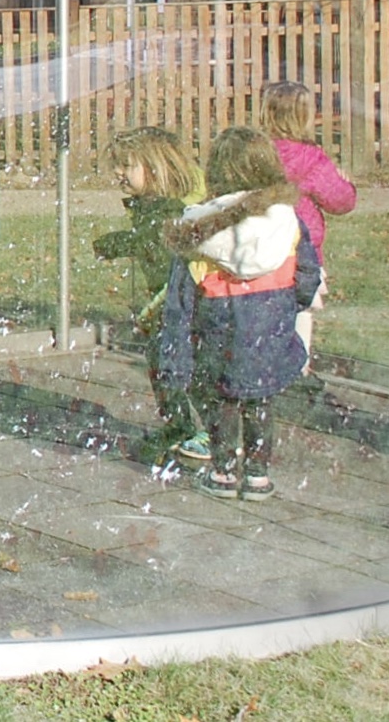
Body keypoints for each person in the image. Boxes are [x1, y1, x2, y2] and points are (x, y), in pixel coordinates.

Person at [160, 127, 320, 502]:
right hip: (269, 323)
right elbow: (308, 274)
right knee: (261, 399)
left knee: (223, 401)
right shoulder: (287, 221)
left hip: (218, 327)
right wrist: (290, 306)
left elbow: (181, 298)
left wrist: (175, 351)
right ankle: (258, 475)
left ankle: (224, 471)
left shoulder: (197, 228)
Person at [94, 128, 208, 464]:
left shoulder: (169, 209)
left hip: (179, 302)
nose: (119, 173)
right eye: (117, 166)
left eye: (127, 166)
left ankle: (209, 429)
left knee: (180, 366)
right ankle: (179, 424)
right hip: (164, 301)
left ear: (156, 169)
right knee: (161, 364)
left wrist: (114, 244)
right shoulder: (152, 205)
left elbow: (152, 243)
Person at [256, 81, 355, 368]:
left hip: (261, 246)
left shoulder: (257, 154)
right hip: (302, 253)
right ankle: (298, 370)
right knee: (301, 312)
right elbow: (340, 201)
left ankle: (263, 367)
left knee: (261, 312)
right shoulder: (311, 159)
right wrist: (347, 184)